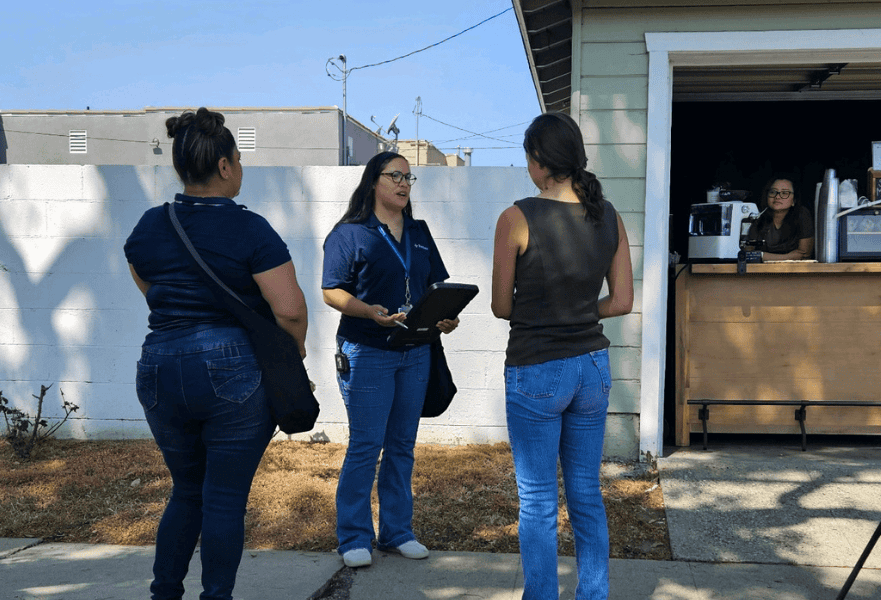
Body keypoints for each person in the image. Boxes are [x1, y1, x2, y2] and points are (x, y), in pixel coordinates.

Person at [124, 107, 308, 600]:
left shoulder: (149, 224)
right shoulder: (250, 229)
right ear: (225, 167)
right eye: (239, 160)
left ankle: (164, 593)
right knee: (223, 497)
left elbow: (149, 284)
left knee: (186, 490)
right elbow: (288, 310)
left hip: (160, 364)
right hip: (231, 371)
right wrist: (294, 357)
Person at [491, 112, 634, 600]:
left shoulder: (516, 217)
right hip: (592, 365)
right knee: (587, 494)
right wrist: (576, 311)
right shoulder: (608, 215)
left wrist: (552, 311)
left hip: (537, 367)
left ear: (538, 162)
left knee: (536, 501)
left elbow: (501, 306)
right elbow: (620, 303)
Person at [321, 151, 459, 569]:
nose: (403, 183)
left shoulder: (419, 231)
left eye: (409, 178)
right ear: (373, 181)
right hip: (367, 352)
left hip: (415, 351)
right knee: (366, 445)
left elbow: (435, 283)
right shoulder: (350, 233)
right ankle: (353, 537)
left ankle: (396, 532)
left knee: (402, 445)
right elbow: (332, 291)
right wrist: (369, 311)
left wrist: (443, 316)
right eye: (395, 175)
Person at [747, 175, 814, 261]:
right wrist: (789, 257)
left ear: (794, 201)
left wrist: (763, 256)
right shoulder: (757, 216)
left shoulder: (802, 214)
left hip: (796, 271)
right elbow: (748, 254)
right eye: (773, 192)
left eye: (784, 193)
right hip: (762, 271)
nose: (777, 197)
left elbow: (804, 254)